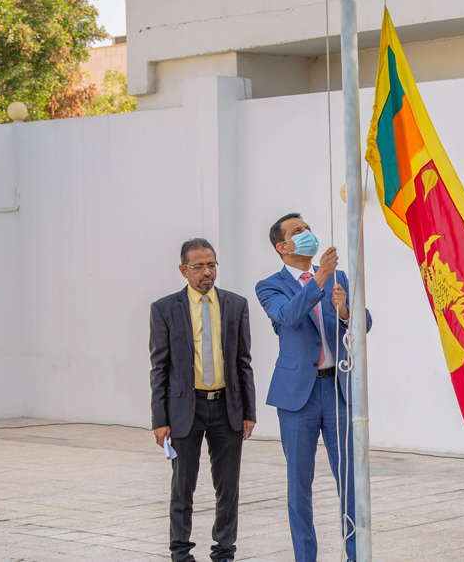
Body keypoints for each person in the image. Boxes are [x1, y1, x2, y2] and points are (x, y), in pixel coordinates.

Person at [255, 213, 373, 562]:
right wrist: (318, 277)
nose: (307, 234)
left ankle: (354, 555)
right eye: (297, 232)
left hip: (337, 390)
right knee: (299, 487)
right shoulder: (270, 285)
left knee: (350, 481)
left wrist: (346, 310)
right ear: (282, 246)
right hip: (297, 398)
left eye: (307, 228)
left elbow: (363, 322)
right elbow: (288, 316)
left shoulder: (339, 278)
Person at [149, 238, 257, 562]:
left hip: (227, 407)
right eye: (198, 266)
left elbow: (243, 361)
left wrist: (248, 411)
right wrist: (160, 420)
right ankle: (180, 553)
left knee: (228, 488)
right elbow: (159, 367)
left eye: (211, 265)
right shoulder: (164, 308)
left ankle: (224, 552)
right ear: (184, 270)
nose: (206, 272)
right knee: (183, 487)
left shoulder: (236, 305)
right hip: (186, 409)